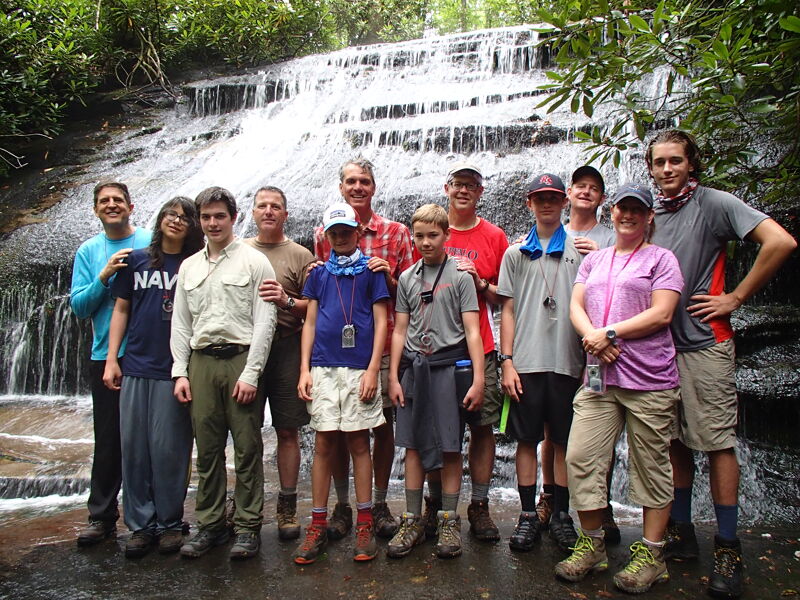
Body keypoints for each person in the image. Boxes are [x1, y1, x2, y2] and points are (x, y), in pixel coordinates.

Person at [646, 130, 796, 598]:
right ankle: (683, 532)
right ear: (649, 168)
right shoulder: (651, 215)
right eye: (658, 163)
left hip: (704, 344)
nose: (667, 169)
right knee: (674, 442)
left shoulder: (715, 203)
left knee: (716, 442)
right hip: (657, 348)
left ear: (691, 164)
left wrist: (736, 296)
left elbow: (780, 242)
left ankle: (728, 546)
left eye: (675, 161)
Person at [555, 183, 684, 593]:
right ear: (612, 213)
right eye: (622, 208)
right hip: (598, 379)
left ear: (649, 217)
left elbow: (662, 314)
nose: (627, 215)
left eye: (637, 210)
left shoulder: (662, 259)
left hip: (648, 379)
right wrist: (593, 336)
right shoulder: (596, 260)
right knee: (580, 456)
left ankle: (652, 553)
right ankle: (591, 544)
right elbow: (576, 305)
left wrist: (607, 333)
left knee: (651, 466)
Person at [171, 186, 277, 560]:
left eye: (220, 216)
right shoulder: (189, 266)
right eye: (206, 217)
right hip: (200, 362)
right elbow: (181, 324)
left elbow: (265, 321)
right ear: (199, 221)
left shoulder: (253, 262)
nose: (213, 223)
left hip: (240, 359)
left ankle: (248, 527)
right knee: (208, 448)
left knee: (248, 447)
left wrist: (251, 373)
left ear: (234, 218)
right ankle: (211, 525)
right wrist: (179, 372)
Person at [313, 158, 413, 540]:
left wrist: (387, 276)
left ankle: (380, 501)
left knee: (381, 425)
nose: (358, 187)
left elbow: (411, 290)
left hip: (384, 346)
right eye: (351, 181)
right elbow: (324, 287)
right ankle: (341, 505)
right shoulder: (324, 233)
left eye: (365, 181)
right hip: (337, 352)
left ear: (374, 187)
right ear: (341, 187)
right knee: (337, 429)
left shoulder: (397, 232)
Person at [102, 197, 204, 558]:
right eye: (170, 215)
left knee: (170, 451)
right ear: (160, 219)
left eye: (184, 217)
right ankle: (140, 526)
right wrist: (112, 358)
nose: (176, 221)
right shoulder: (137, 260)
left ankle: (171, 523)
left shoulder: (196, 265)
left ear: (194, 225)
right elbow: (121, 309)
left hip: (175, 369)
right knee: (134, 449)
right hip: (136, 366)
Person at [413, 162, 507, 542]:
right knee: (437, 431)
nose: (464, 190)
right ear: (446, 187)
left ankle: (479, 505)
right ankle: (435, 505)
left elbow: (504, 298)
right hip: (434, 351)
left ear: (480, 192)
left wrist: (481, 281)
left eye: (471, 185)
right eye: (458, 184)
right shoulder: (427, 231)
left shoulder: (495, 237)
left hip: (480, 347)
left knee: (482, 427)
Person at [387, 203, 485, 560]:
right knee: (412, 445)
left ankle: (448, 520)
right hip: (415, 371)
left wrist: (477, 379)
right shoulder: (409, 278)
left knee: (449, 446)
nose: (426, 242)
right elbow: (399, 331)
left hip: (448, 371)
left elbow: (473, 331)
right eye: (420, 236)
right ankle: (412, 518)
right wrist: (395, 377)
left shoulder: (459, 276)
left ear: (446, 235)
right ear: (412, 237)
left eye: (433, 235)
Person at [294, 202, 389, 565]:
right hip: (322, 368)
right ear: (326, 235)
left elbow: (381, 324)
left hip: (357, 370)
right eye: (334, 232)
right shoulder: (319, 274)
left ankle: (364, 521)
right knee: (323, 443)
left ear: (357, 232)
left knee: (359, 443)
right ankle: (317, 523)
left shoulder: (372, 271)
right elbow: (311, 323)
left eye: (346, 231)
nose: (340, 237)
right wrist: (304, 369)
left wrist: (371, 370)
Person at [497, 173, 584, 554]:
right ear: (529, 203)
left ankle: (562, 514)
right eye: (539, 198)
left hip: (568, 361)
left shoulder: (581, 254)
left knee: (563, 441)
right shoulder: (515, 254)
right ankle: (528, 514)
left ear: (564, 202)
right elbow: (508, 310)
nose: (546, 204)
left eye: (553, 197)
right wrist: (507, 362)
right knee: (527, 440)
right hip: (527, 362)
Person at [537, 165, 622, 543]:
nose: (586, 192)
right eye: (580, 186)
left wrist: (603, 254)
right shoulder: (553, 232)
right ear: (567, 193)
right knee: (551, 431)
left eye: (594, 188)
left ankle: (601, 507)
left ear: (603, 199)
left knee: (602, 428)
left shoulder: (612, 235)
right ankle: (550, 498)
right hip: (556, 340)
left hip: (601, 345)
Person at [70, 180, 152, 546]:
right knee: (108, 439)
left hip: (150, 354)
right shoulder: (88, 252)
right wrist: (103, 276)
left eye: (118, 200)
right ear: (96, 210)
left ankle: (152, 518)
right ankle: (101, 516)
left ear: (131, 207)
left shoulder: (151, 242)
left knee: (150, 439)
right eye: (105, 201)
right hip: (107, 356)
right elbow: (79, 307)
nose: (112, 205)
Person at [245, 186, 315, 541]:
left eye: (276, 207)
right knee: (246, 431)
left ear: (286, 214)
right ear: (253, 212)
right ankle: (246, 506)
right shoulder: (237, 250)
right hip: (245, 352)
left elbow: (314, 306)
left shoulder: (301, 255)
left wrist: (288, 301)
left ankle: (287, 505)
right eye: (263, 206)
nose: (269, 211)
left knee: (288, 430)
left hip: (287, 347)